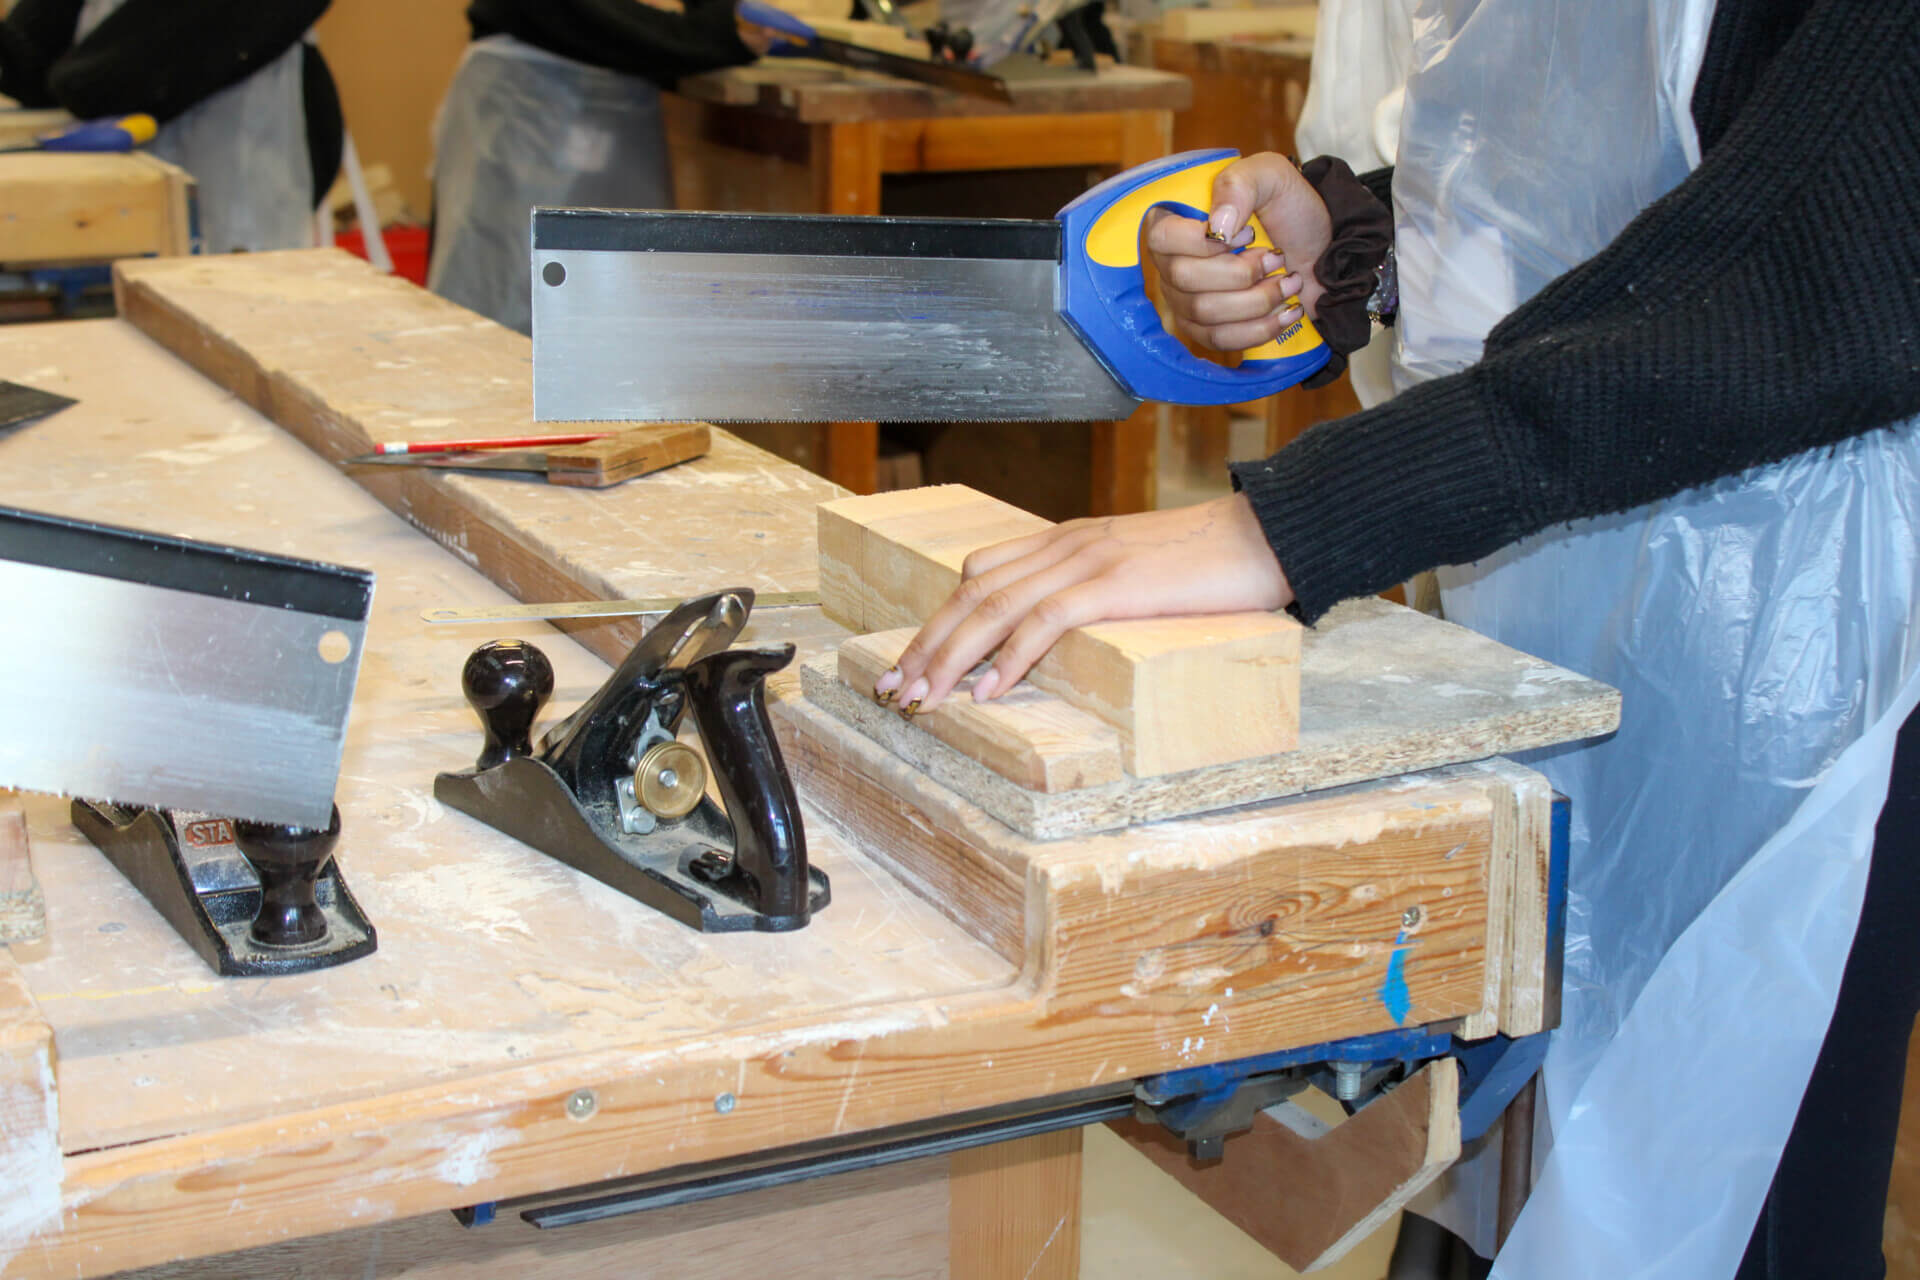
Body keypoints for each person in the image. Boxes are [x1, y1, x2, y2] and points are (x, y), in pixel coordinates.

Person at [877, 2, 1920, 1277]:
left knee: (1726, 1184)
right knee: (1486, 1163)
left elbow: (1817, 269)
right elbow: (1603, 150)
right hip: (1554, 585)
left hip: (1819, 651)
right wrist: (1359, 238)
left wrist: (1295, 523)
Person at [427, 0, 765, 334]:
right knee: (502, 301)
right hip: (529, 101)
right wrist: (711, 33)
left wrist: (709, 23)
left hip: (612, 93)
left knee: (617, 299)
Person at [0, 0, 341, 253]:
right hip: (120, 185)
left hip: (233, 166)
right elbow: (30, 63)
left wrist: (80, 80)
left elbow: (100, 83)